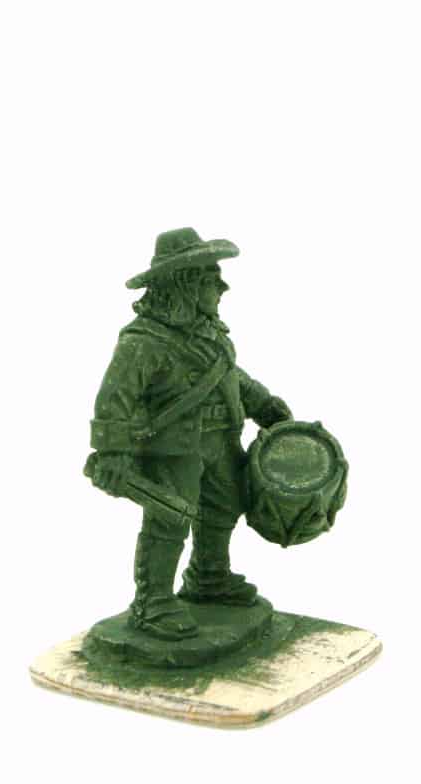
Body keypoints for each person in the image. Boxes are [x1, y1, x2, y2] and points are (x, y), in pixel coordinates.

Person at [88, 228, 293, 640]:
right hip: (173, 449)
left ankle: (209, 577)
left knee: (224, 506)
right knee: (170, 519)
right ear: (186, 284)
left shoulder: (207, 333)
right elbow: (116, 397)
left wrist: (263, 404)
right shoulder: (143, 341)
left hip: (221, 439)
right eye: (211, 278)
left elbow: (229, 376)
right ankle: (153, 602)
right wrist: (113, 452)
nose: (222, 287)